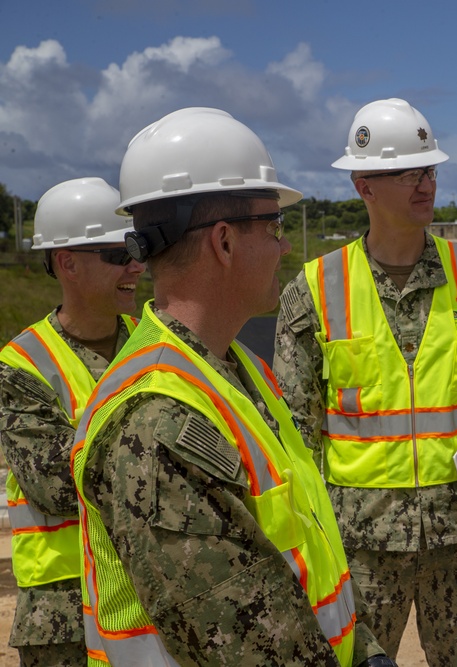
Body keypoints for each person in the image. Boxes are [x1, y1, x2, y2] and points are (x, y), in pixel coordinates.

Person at [71, 108, 392, 666]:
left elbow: (307, 556)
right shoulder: (155, 422)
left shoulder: (235, 369)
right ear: (223, 242)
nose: (283, 247)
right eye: (272, 227)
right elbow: (252, 646)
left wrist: (365, 652)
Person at [273, 98, 457, 665]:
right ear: (363, 185)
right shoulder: (314, 291)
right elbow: (295, 436)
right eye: (407, 173)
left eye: (430, 169)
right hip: (359, 543)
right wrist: (303, 538)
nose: (425, 184)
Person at [0, 178, 144, 666]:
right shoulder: (23, 363)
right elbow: (56, 484)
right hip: (63, 613)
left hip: (147, 591)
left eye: (137, 248)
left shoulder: (158, 342)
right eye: (117, 254)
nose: (136, 265)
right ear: (68, 262)